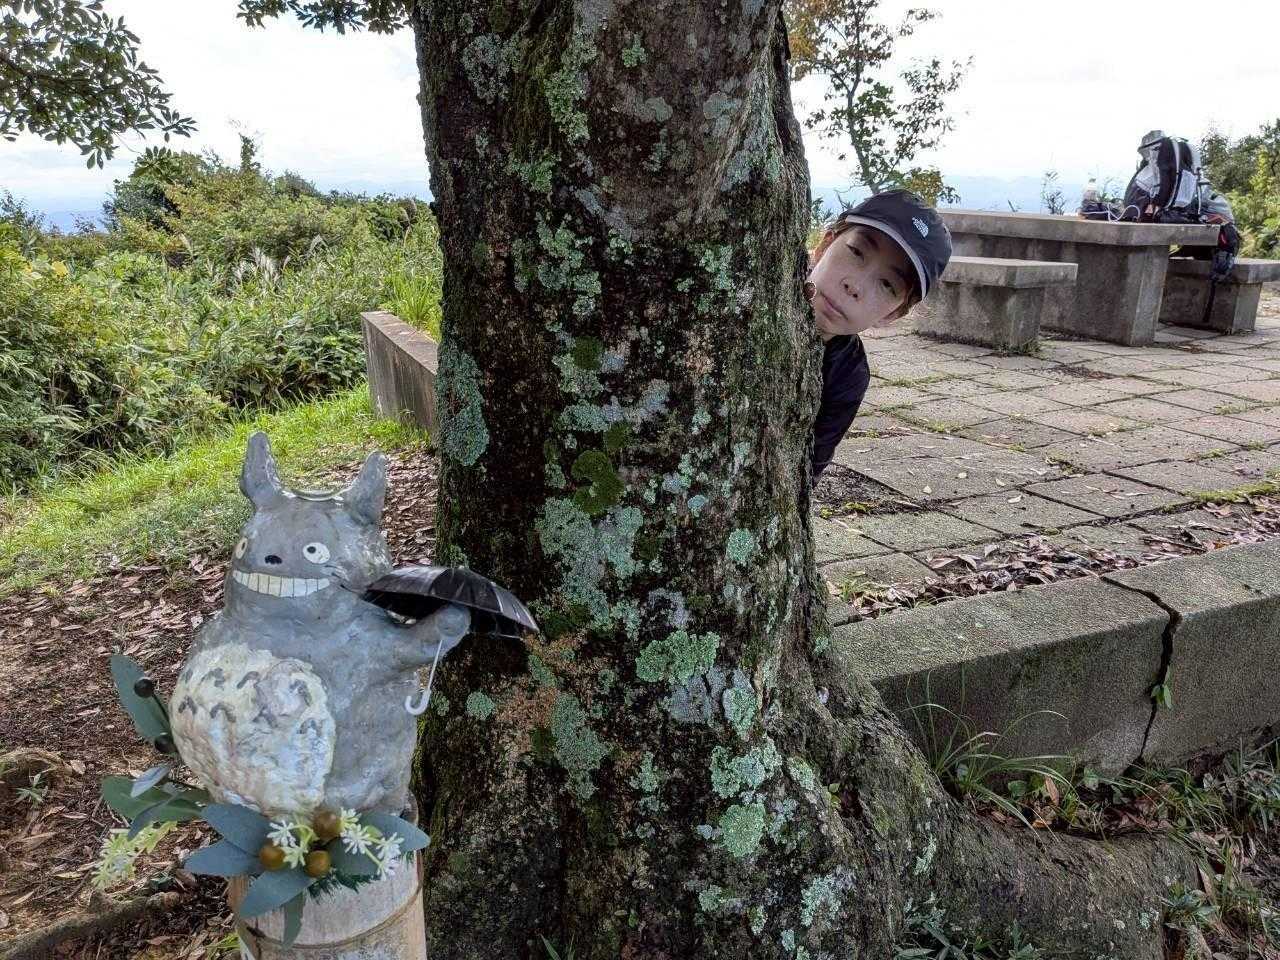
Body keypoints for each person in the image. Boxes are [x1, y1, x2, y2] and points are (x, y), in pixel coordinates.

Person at [806, 189, 953, 481]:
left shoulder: (849, 377)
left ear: (893, 313)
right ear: (825, 244)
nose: (855, 286)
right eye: (857, 252)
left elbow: (807, 468)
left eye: (886, 284)